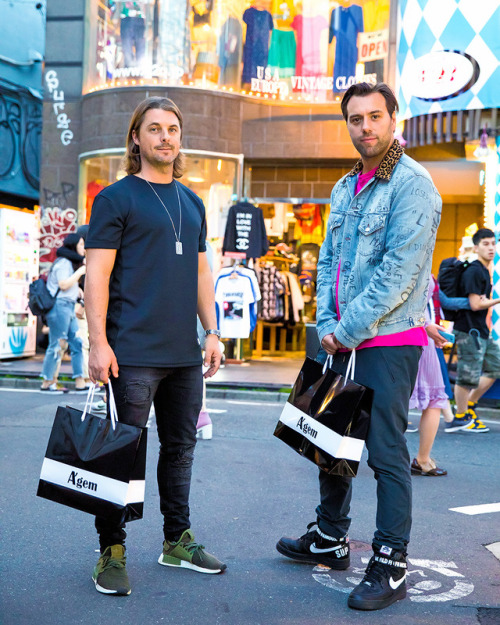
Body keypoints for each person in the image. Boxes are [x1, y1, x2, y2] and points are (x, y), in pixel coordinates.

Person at [276, 83, 442, 611]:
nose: (365, 127)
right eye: (355, 119)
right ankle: (329, 538)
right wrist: (327, 319)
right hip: (341, 335)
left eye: (374, 116)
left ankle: (391, 566)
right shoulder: (346, 186)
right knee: (331, 440)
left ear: (394, 118)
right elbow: (328, 261)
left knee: (386, 454)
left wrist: (345, 330)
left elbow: (398, 273)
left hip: (389, 340)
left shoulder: (414, 186)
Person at [85, 96, 225, 597]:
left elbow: (201, 272)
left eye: (173, 129)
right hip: (131, 352)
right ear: (137, 139)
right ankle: (111, 549)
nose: (166, 137)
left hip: (184, 353)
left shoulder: (192, 202)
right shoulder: (116, 197)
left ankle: (176, 540)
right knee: (122, 453)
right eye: (155, 129)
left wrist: (212, 331)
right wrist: (98, 342)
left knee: (180, 451)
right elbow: (97, 276)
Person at [451, 228, 500, 433]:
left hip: (480, 330)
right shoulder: (474, 270)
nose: (490, 248)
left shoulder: (483, 270)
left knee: (496, 367)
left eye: (492, 243)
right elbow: (474, 304)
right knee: (467, 376)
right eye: (485, 244)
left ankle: (469, 405)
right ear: (477, 246)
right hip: (469, 331)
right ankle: (460, 418)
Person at [408, 277, 449, 476]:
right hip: (417, 334)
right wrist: (427, 326)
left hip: (418, 334)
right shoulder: (414, 255)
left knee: (387, 400)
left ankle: (419, 459)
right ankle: (422, 459)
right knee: (434, 400)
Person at [40, 233, 87, 393]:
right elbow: (63, 284)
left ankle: (80, 382)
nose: (83, 248)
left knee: (77, 343)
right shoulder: (63, 262)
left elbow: (68, 285)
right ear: (73, 246)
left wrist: (78, 290)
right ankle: (48, 382)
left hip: (68, 307)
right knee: (57, 344)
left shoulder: (69, 263)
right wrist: (80, 272)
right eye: (81, 245)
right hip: (59, 307)